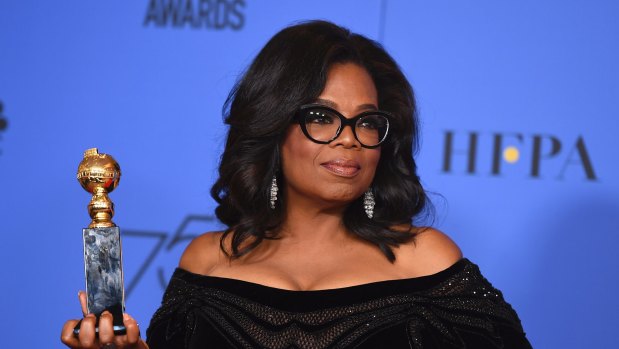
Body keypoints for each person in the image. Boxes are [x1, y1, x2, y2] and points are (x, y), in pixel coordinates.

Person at [61, 20, 532, 349]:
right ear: (272, 127)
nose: (349, 140)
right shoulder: (207, 262)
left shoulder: (427, 262)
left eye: (367, 122)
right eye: (321, 117)